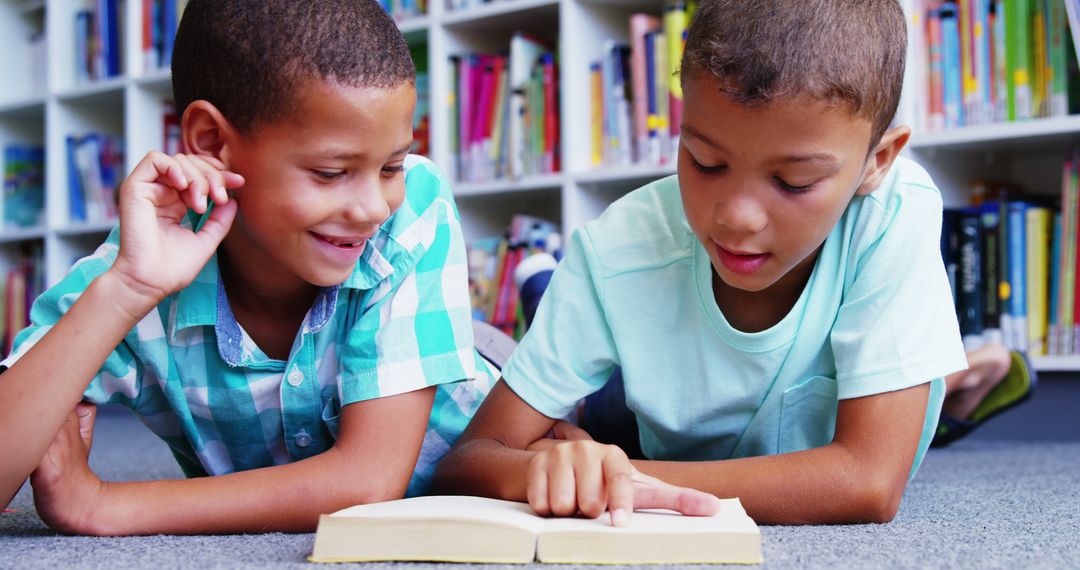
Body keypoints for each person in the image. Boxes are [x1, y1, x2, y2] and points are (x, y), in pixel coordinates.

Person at [434, 0, 970, 525]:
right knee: (600, 412)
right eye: (705, 162)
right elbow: (469, 460)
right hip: (641, 392)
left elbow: (869, 484)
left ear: (877, 161)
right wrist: (549, 470)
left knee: (603, 434)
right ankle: (544, 287)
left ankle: (541, 287)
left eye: (794, 182)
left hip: (640, 432)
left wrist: (620, 476)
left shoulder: (893, 209)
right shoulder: (616, 249)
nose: (737, 218)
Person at [0, 0, 494, 535]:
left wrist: (102, 505)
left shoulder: (408, 211)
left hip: (491, 415)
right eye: (330, 173)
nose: (373, 207)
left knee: (572, 427)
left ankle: (534, 293)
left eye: (391, 166)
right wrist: (127, 290)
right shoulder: (143, 261)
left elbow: (367, 482)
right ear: (212, 143)